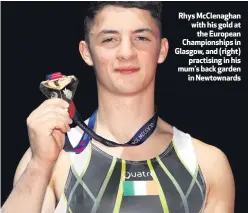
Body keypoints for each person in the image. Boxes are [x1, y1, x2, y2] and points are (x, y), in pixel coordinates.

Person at [2, 2, 235, 213]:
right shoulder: (52, 156)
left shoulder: (208, 164)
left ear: (162, 50)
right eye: (109, 39)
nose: (126, 53)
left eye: (141, 38)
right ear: (86, 52)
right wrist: (40, 165)